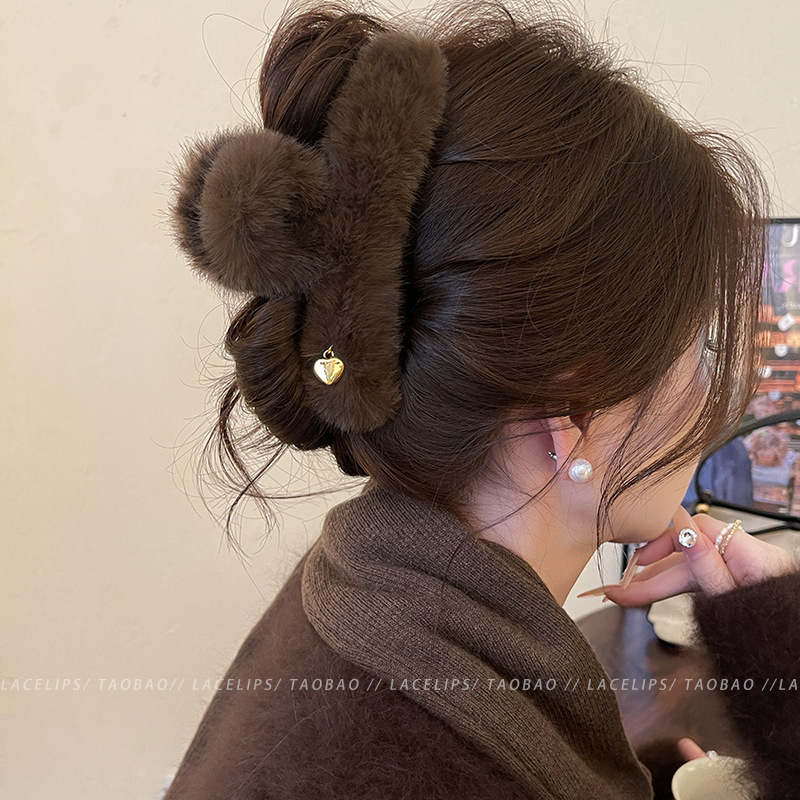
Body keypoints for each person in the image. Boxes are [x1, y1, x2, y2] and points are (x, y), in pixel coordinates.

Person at [163, 1, 800, 798]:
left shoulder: (368, 585)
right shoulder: (421, 755)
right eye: (694, 349)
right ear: (577, 413)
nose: (711, 393)